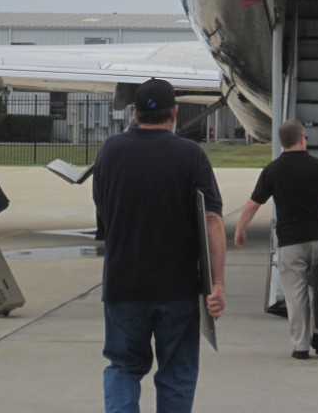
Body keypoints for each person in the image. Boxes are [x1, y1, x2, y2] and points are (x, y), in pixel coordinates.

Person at [93, 77, 226, 413]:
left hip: (123, 284)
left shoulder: (110, 151)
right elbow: (211, 221)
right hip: (177, 288)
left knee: (123, 366)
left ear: (134, 113)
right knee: (177, 374)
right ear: (175, 112)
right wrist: (218, 284)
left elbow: (103, 208)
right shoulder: (191, 155)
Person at [234, 119, 318, 360]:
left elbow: (254, 203)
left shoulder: (273, 169)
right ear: (302, 138)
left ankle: (300, 346)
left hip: (290, 241)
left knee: (295, 294)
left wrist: (240, 229)